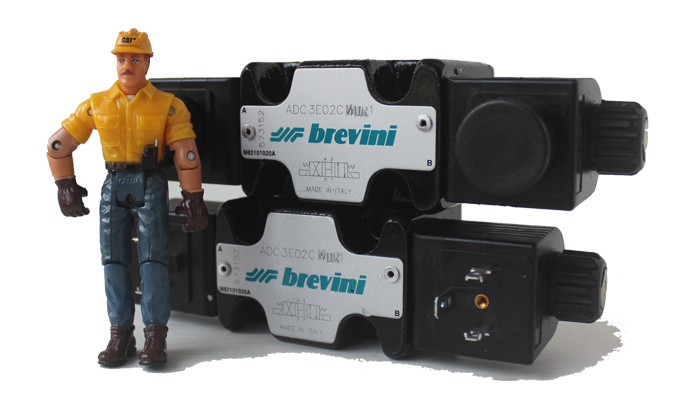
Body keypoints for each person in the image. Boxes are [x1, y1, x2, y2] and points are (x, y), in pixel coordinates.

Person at [46, 29, 208, 367]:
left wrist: (193, 196)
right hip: (113, 183)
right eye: (121, 58)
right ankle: (120, 334)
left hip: (151, 182)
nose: (127, 65)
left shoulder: (168, 105)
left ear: (147, 62)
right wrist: (65, 183)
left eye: (134, 59)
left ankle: (155, 335)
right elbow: (58, 145)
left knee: (153, 259)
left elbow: (186, 153)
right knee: (113, 260)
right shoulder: (97, 104)